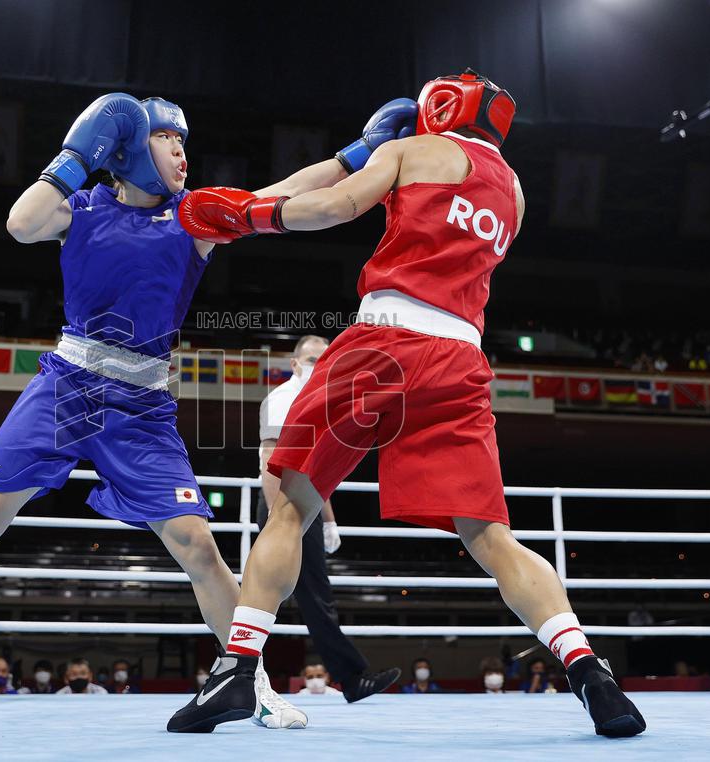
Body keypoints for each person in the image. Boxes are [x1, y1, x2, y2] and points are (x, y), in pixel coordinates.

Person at [0, 90, 369, 730]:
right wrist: (76, 154)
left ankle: (248, 683)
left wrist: (357, 154)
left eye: (184, 142)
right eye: (168, 139)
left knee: (197, 543)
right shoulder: (80, 207)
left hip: (142, 406)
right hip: (67, 385)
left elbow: (288, 190)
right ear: (130, 148)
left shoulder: (194, 216)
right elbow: (21, 224)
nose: (181, 153)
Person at [171, 69, 646, 738]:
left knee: (289, 504)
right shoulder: (514, 191)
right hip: (461, 360)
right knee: (489, 535)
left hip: (385, 342)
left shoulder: (413, 152)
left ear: (440, 106)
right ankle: (589, 669)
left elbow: (333, 205)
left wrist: (250, 215)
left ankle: (235, 669)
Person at [258, 335, 401, 702]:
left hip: (303, 508)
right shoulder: (282, 399)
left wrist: (329, 519)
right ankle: (349, 678)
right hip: (282, 509)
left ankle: (349, 678)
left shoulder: (321, 402)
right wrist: (280, 523)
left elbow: (318, 472)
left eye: (325, 359)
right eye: (310, 358)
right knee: (271, 594)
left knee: (300, 595)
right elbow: (271, 463)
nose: (318, 364)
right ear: (294, 364)